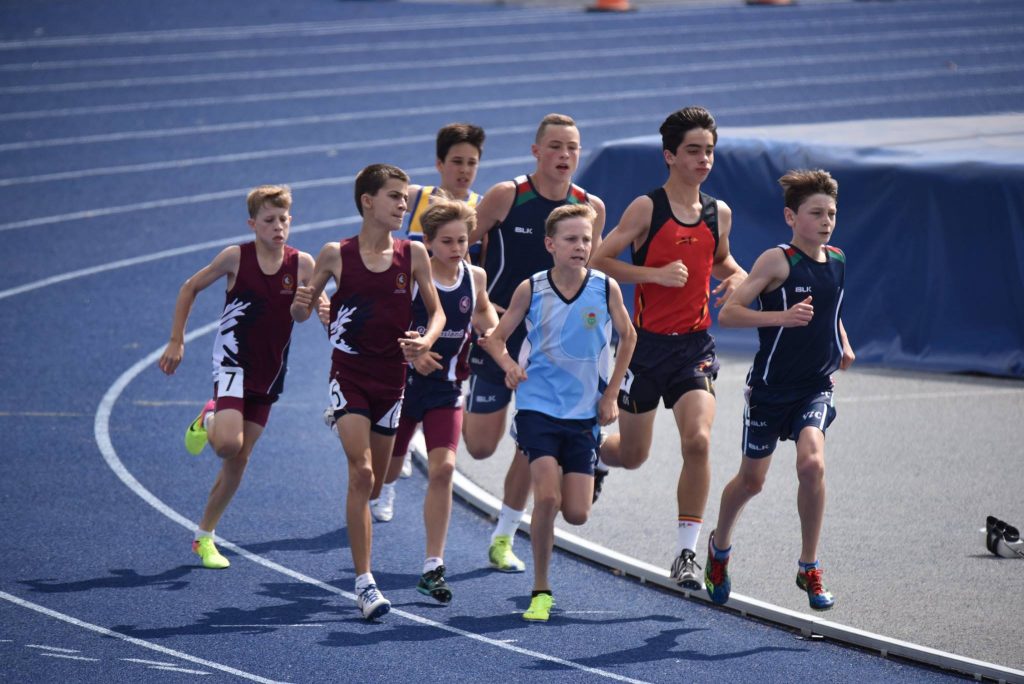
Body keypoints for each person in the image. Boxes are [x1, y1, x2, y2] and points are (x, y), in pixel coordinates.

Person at [589, 106, 746, 590]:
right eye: (694, 151)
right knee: (633, 454)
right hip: (644, 347)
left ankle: (685, 554)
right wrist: (654, 275)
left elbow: (720, 261)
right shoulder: (646, 209)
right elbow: (600, 258)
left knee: (697, 440)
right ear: (670, 156)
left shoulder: (718, 213)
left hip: (694, 347)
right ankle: (596, 455)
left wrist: (738, 277)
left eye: (710, 152)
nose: (704, 160)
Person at [291, 164, 445, 621]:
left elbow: (435, 313)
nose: (404, 205)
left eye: (405, 197)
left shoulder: (412, 255)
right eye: (395, 197)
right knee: (359, 474)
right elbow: (302, 312)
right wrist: (301, 306)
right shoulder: (336, 254)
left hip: (392, 379)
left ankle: (340, 417)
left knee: (377, 482)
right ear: (367, 202)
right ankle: (364, 584)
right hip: (350, 373)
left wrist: (426, 341)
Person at [704, 169, 854, 611]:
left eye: (831, 213)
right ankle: (720, 549)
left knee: (812, 465)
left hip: (814, 385)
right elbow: (729, 314)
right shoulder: (777, 261)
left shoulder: (839, 260)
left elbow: (830, 310)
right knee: (752, 482)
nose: (826, 221)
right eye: (816, 213)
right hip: (771, 390)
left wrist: (843, 341)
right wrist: (780, 318)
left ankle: (809, 566)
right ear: (791, 216)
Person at [479, 204, 635, 621]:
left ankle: (592, 468)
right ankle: (541, 590)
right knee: (546, 497)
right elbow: (495, 338)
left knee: (578, 513)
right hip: (537, 407)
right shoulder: (532, 289)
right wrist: (511, 367)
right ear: (550, 245)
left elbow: (629, 336)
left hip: (585, 411)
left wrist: (611, 395)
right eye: (571, 239)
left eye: (586, 239)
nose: (580, 246)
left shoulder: (606, 288)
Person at [466, 113, 606, 573]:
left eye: (573, 147)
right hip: (500, 330)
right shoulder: (508, 196)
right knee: (480, 446)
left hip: (552, 349)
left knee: (532, 442)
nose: (565, 156)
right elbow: (455, 246)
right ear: (536, 152)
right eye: (556, 147)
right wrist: (475, 304)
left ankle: (504, 537)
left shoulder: (590, 206)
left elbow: (590, 278)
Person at [158, 185, 320, 571]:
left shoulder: (303, 265)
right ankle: (211, 418)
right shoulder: (236, 258)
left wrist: (314, 309)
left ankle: (204, 537)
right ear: (253, 224)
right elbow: (189, 287)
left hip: (270, 370)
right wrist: (176, 340)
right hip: (232, 364)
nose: (278, 227)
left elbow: (309, 311)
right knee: (228, 445)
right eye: (269, 221)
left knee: (239, 459)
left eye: (283, 220)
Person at [373, 198, 498, 605]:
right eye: (447, 241)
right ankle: (385, 482)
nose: (457, 248)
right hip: (401, 388)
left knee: (443, 469)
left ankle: (433, 565)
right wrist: (415, 352)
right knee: (378, 474)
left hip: (446, 390)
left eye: (463, 240)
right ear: (427, 242)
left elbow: (485, 320)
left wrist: (504, 351)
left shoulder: (474, 277)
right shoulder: (410, 275)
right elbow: (384, 325)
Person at [393, 123, 486, 479]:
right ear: (439, 163)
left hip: (455, 316)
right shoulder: (415, 198)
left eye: (472, 163)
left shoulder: (481, 207)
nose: (464, 170)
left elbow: (483, 267)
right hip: (410, 316)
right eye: (457, 161)